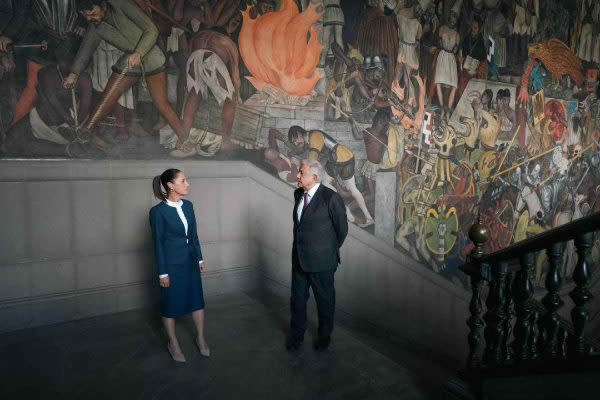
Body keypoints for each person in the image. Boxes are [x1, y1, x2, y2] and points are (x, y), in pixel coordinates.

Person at [63, 0, 188, 154]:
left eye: (93, 14)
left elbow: (151, 30)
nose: (90, 19)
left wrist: (138, 53)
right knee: (108, 97)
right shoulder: (96, 27)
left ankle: (186, 141)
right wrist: (73, 73)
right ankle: (84, 134)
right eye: (86, 16)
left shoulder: (121, 5)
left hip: (151, 58)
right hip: (129, 62)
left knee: (161, 103)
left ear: (101, 5)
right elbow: (85, 50)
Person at [287, 159, 348, 352]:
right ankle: (296, 337)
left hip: (322, 262)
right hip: (299, 259)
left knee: (325, 302)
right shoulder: (298, 194)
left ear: (314, 177)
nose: (297, 175)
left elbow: (342, 230)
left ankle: (324, 338)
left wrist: (326, 250)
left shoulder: (331, 198)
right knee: (297, 301)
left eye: (301, 173)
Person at [149, 168, 210, 362]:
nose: (187, 183)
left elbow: (193, 236)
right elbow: (158, 243)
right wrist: (162, 273)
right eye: (183, 180)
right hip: (171, 265)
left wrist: (199, 258)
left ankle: (200, 338)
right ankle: (173, 343)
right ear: (170, 185)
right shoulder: (158, 212)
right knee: (170, 304)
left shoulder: (189, 206)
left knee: (197, 300)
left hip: (190, 261)